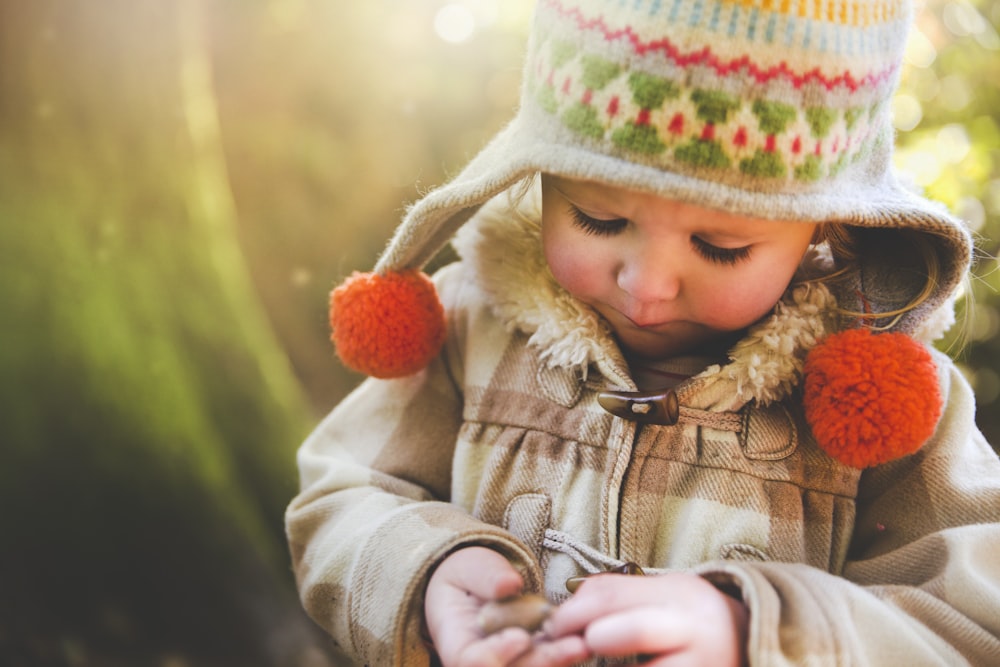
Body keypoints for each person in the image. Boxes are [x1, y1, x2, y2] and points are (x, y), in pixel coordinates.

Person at [286, 0, 1000, 665]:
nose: (648, 286)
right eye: (598, 218)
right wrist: (426, 567)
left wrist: (761, 630)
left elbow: (974, 616)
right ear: (538, 177)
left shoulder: (890, 404)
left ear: (830, 228)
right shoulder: (469, 326)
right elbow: (338, 495)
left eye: (721, 246)